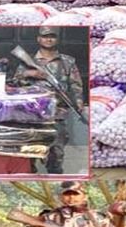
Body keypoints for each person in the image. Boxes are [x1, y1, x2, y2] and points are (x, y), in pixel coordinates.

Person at [10, 26, 84, 174]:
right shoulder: (28, 61)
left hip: (57, 112)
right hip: (31, 114)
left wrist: (79, 104)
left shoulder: (67, 62)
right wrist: (28, 73)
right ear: (39, 39)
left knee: (56, 151)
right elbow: (14, 84)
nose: (48, 39)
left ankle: (55, 174)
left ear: (57, 39)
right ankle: (30, 174)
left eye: (52, 36)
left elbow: (76, 86)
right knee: (29, 150)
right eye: (45, 36)